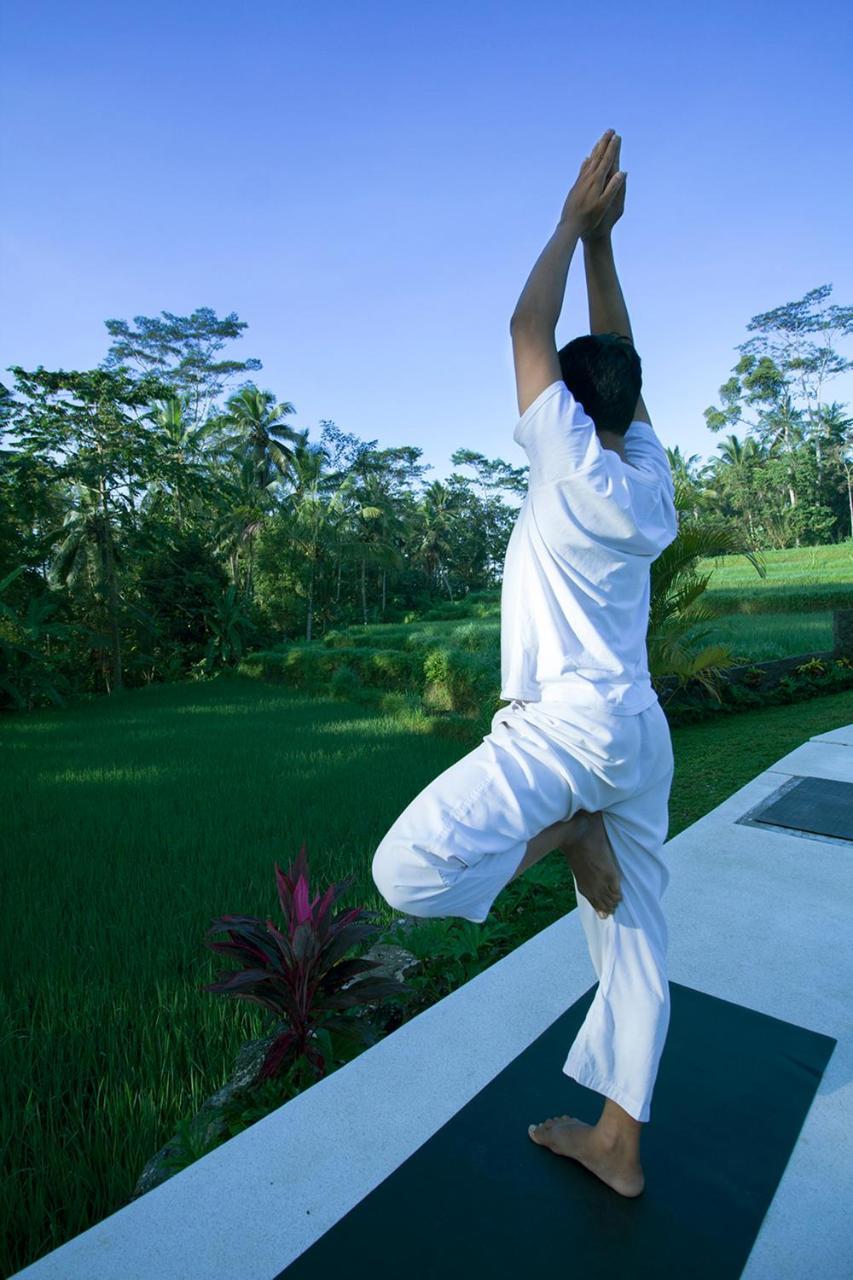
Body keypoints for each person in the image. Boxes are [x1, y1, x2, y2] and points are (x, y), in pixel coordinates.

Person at [372, 129, 678, 1198]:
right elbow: (615, 359)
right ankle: (619, 1145)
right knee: (635, 945)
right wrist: (606, 246)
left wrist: (568, 221)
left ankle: (569, 834)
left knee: (402, 871)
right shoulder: (648, 480)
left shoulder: (566, 459)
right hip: (638, 734)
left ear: (567, 411)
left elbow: (524, 324)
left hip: (558, 734)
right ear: (630, 411)